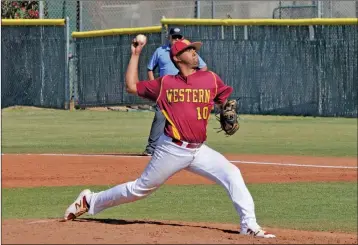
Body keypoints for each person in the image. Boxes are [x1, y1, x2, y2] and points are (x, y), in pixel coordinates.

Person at [63, 37, 276, 239]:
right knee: (139, 190)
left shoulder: (210, 78)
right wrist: (136, 54)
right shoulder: (165, 83)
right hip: (172, 149)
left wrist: (227, 108)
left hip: (199, 150)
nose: (194, 53)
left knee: (232, 174)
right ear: (177, 58)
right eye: (189, 50)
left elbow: (224, 100)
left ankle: (249, 225)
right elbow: (131, 86)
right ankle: (89, 200)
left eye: (194, 49)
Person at [143, 27, 208, 156]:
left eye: (179, 37)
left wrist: (194, 81)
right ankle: (151, 148)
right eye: (175, 37)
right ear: (169, 37)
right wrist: (153, 85)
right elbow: (150, 68)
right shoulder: (160, 51)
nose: (177, 39)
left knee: (185, 120)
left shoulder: (186, 52)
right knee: (159, 117)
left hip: (183, 93)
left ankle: (189, 148)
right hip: (165, 91)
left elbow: (203, 67)